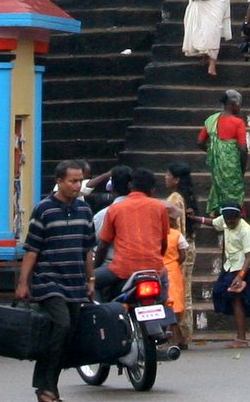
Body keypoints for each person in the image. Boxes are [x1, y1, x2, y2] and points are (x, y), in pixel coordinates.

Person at [16, 159, 96, 402]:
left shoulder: (85, 211)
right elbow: (32, 250)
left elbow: (88, 249)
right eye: (72, 181)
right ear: (59, 181)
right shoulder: (44, 209)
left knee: (67, 335)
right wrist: (23, 283)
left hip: (75, 281)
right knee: (61, 325)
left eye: (80, 181)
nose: (77, 185)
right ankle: (46, 388)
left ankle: (48, 386)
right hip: (49, 280)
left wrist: (90, 279)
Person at [98, 168, 170, 299]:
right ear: (152, 190)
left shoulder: (115, 209)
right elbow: (164, 243)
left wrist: (93, 270)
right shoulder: (160, 208)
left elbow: (103, 245)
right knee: (164, 287)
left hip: (122, 269)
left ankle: (100, 310)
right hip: (154, 269)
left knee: (89, 282)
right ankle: (164, 304)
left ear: (130, 185)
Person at [209, 203, 250, 348]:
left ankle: (241, 339)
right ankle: (241, 335)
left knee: (237, 300)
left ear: (240, 216)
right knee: (220, 293)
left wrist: (240, 276)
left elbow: (249, 257)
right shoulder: (223, 221)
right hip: (230, 266)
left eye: (233, 221)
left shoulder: (246, 230)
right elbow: (211, 223)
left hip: (246, 268)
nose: (230, 224)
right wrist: (193, 218)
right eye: (227, 221)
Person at [162, 164, 199, 346]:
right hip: (185, 245)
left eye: (168, 174)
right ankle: (183, 335)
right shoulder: (185, 196)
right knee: (183, 292)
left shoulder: (174, 199)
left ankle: (179, 336)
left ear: (176, 179)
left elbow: (175, 227)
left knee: (176, 294)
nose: (165, 177)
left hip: (176, 249)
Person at [197, 89, 250, 214]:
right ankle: (234, 215)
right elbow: (243, 149)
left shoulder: (211, 120)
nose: (240, 108)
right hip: (232, 166)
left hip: (216, 166)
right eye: (239, 105)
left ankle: (216, 214)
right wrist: (242, 167)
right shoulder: (238, 122)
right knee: (234, 190)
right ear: (234, 104)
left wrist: (214, 152)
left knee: (218, 187)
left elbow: (200, 142)